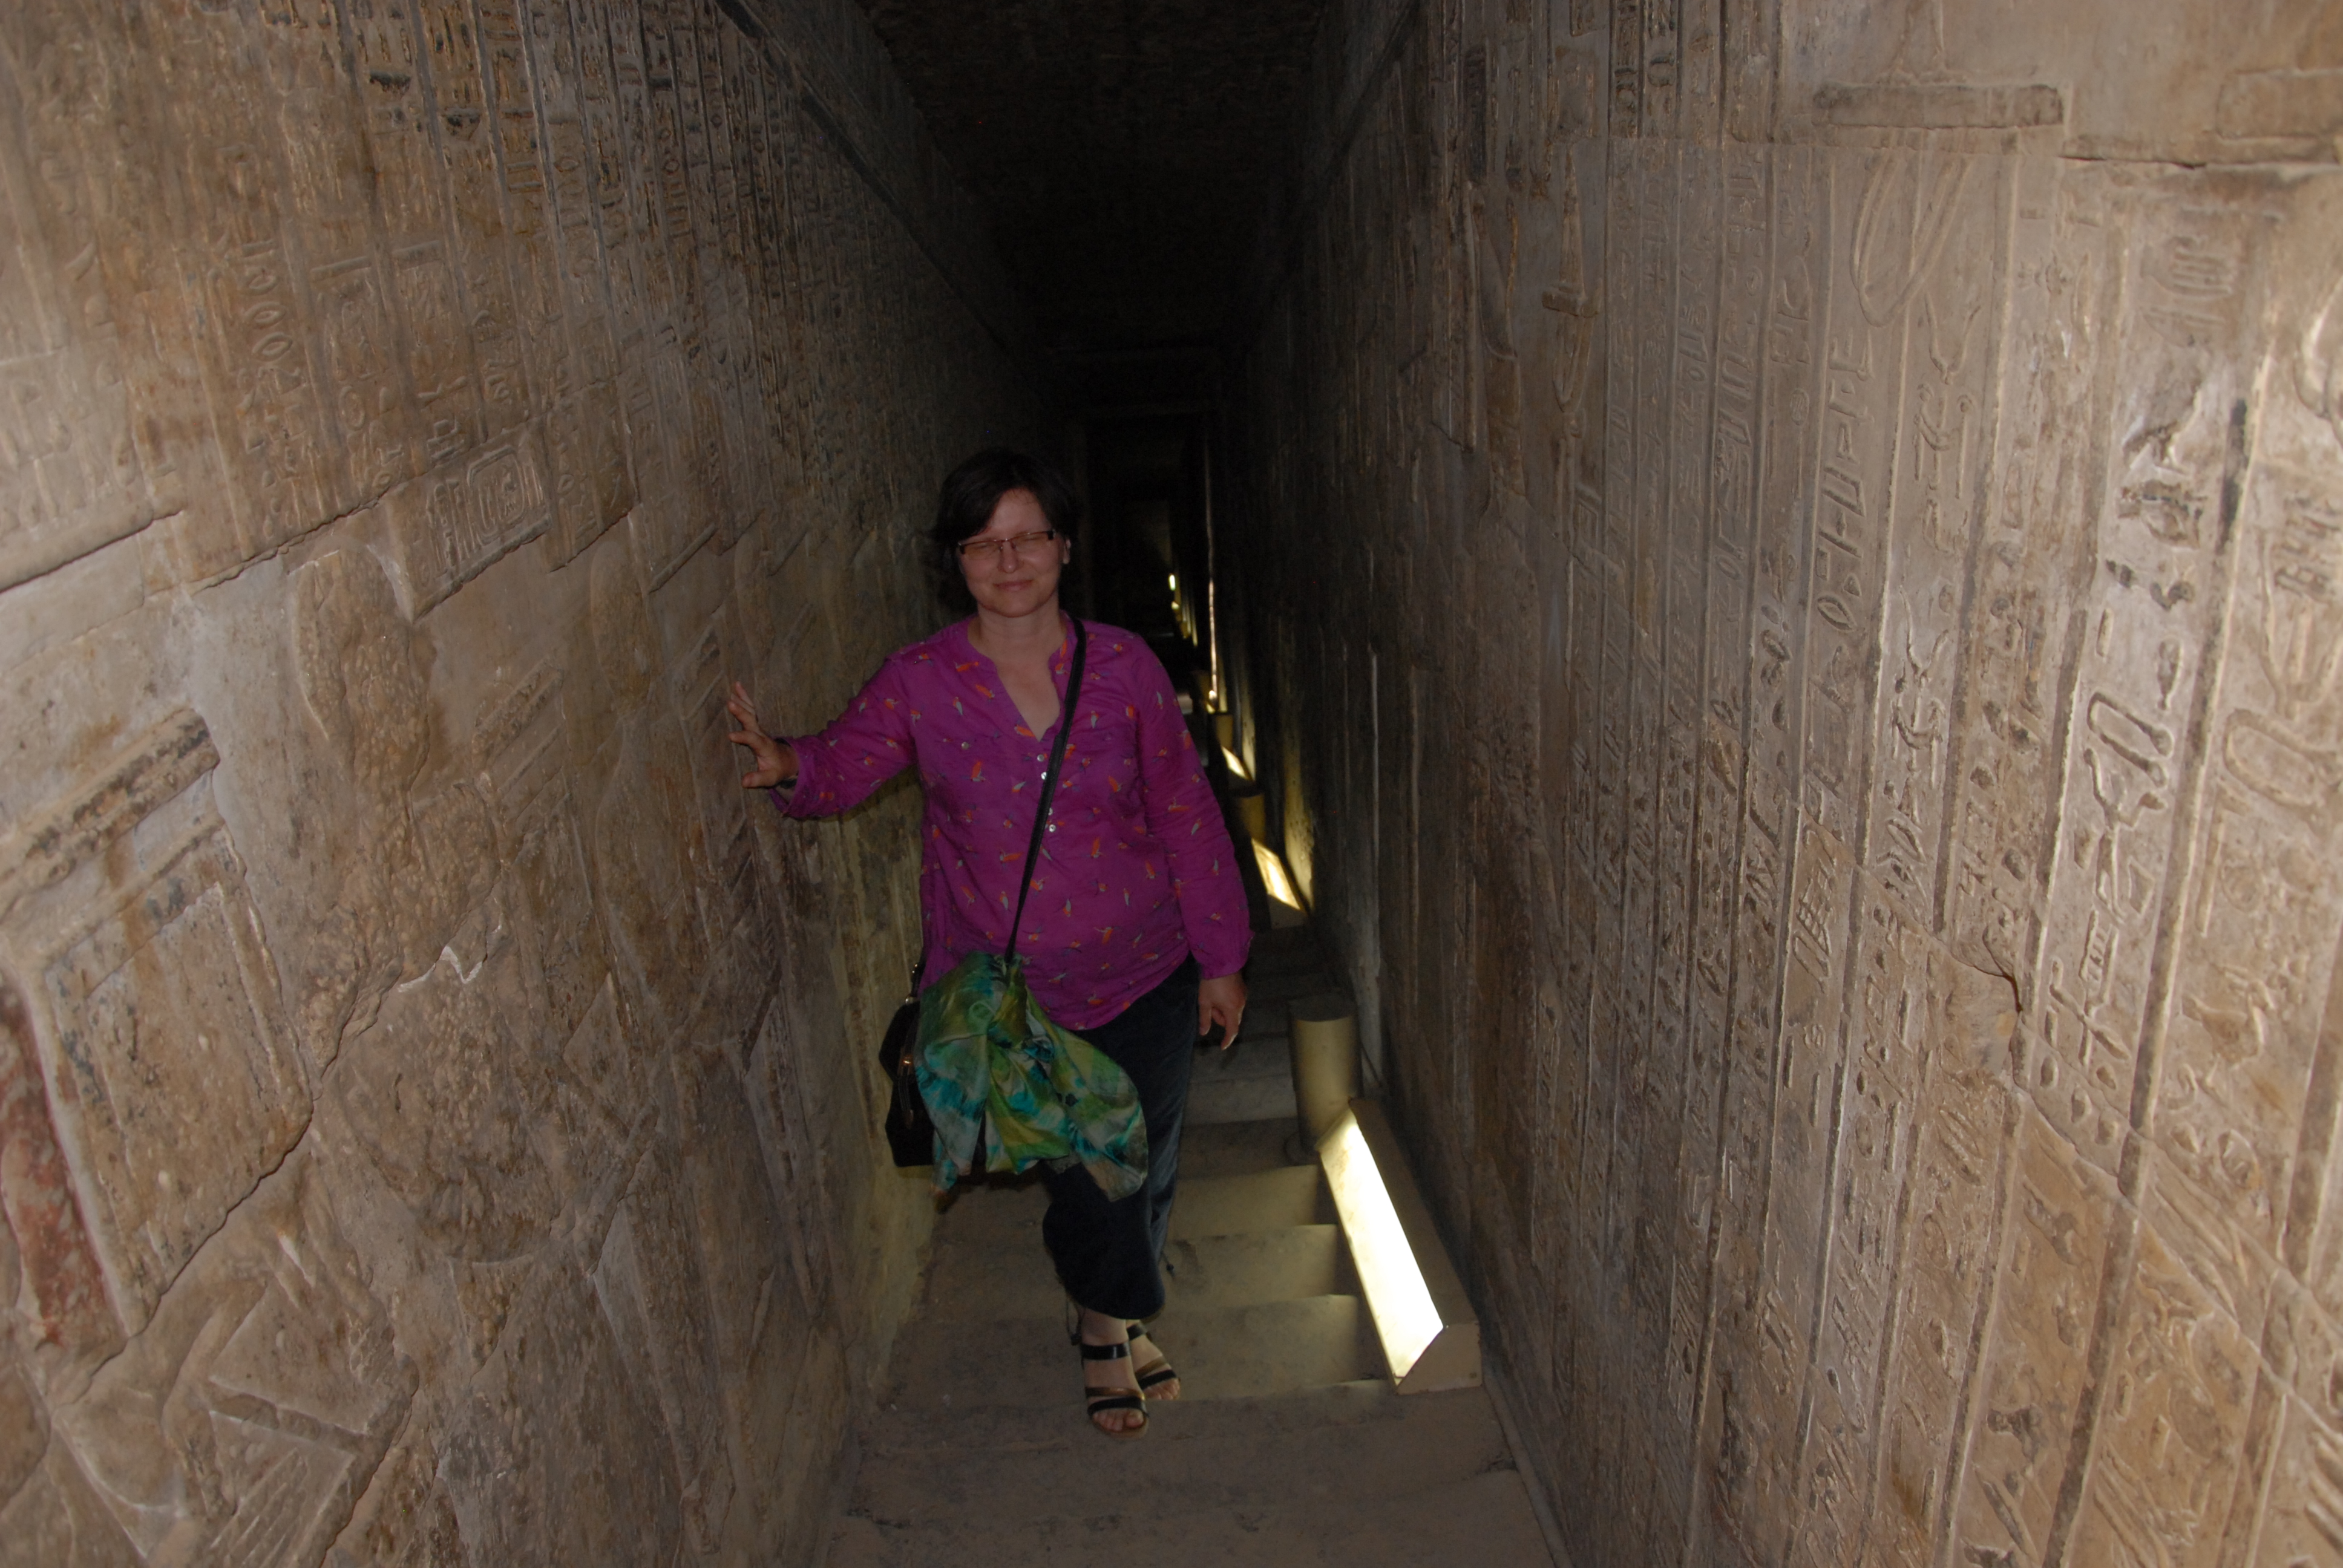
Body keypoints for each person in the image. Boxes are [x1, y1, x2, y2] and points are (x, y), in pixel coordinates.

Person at [726, 448, 1251, 1439]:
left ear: (1064, 546)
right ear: (956, 558)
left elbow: (1187, 813)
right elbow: (846, 760)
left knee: (1144, 1155)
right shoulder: (922, 682)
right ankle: (1108, 1328)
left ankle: (1113, 1302)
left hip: (1147, 971)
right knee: (1088, 1169)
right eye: (983, 543)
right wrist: (787, 761)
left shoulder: (1125, 669)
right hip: (1015, 997)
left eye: (1029, 538)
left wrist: (1221, 958)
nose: (1009, 562)